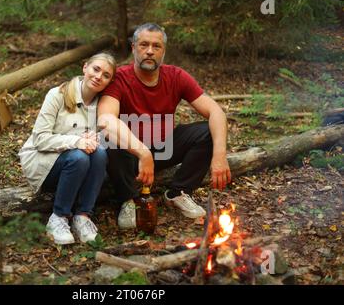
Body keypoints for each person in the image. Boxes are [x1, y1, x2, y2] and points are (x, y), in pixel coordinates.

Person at [97, 23, 231, 229]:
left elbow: (216, 112)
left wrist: (220, 155)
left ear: (163, 51)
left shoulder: (176, 76)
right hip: (128, 155)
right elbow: (105, 120)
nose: (149, 51)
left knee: (207, 131)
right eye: (143, 45)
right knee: (111, 139)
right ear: (133, 48)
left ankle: (178, 193)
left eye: (156, 46)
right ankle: (128, 200)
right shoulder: (120, 78)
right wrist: (142, 153)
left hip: (162, 148)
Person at [19, 53, 116, 244]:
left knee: (100, 153)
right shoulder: (58, 94)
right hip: (44, 163)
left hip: (78, 167)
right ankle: (58, 218)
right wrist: (76, 141)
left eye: (106, 75)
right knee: (78, 156)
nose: (98, 76)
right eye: (96, 69)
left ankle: (82, 217)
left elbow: (107, 139)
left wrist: (97, 138)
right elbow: (40, 139)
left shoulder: (103, 105)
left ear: (109, 82)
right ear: (85, 67)